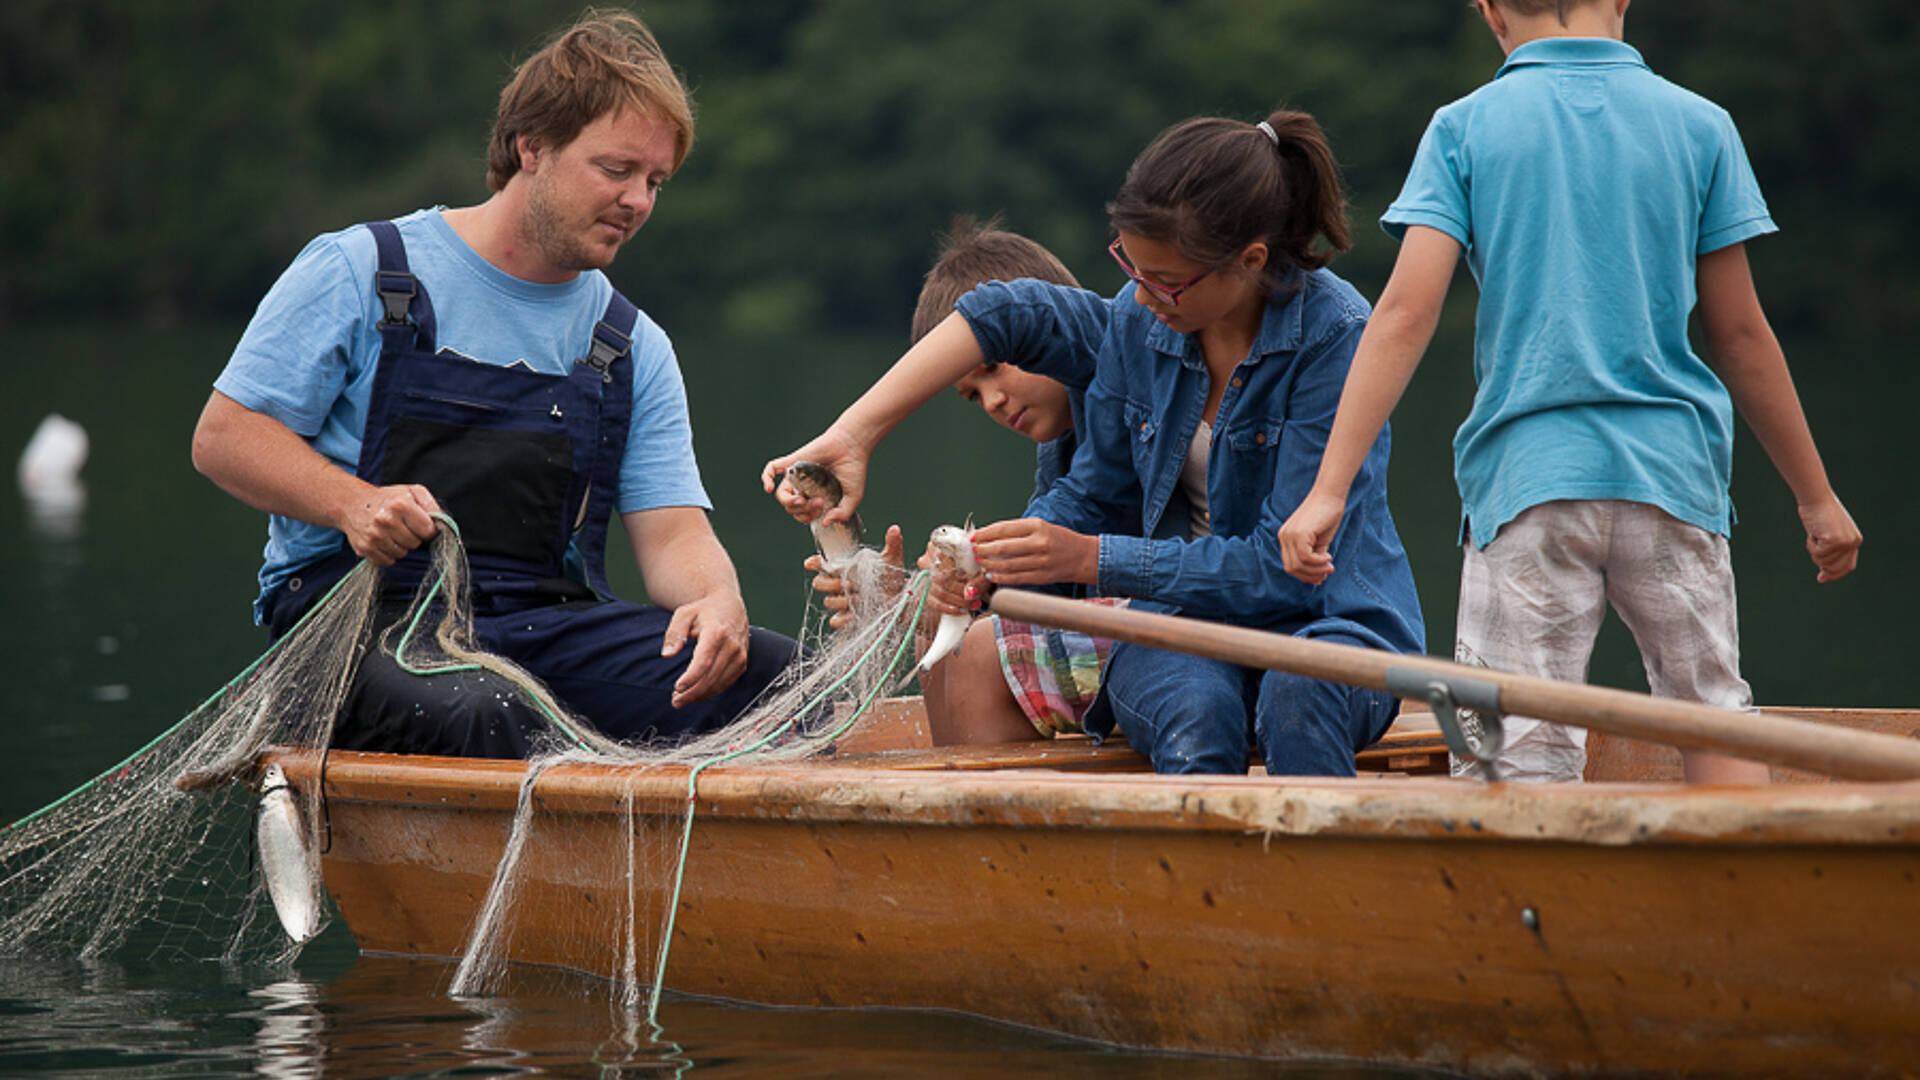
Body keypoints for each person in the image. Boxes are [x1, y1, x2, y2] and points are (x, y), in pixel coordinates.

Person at [1275, 0, 1862, 783]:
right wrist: (1817, 497)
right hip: (1672, 478)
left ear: (1489, 12)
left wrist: (1327, 490)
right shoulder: (1701, 124)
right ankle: (1734, 904)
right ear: (1621, 0)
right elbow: (1741, 334)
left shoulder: (1464, 127)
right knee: (1713, 720)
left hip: (1527, 483)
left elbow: (1405, 315)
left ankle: (1522, 907)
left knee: (1510, 749)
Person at [191, 10, 797, 758]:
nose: (639, 201)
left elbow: (673, 536)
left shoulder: (633, 343)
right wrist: (352, 502)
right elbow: (224, 437)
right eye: (616, 170)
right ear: (532, 148)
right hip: (355, 620)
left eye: (655, 182)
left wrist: (719, 602)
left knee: (781, 675)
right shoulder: (359, 270)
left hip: (542, 623)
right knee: (491, 710)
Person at [765, 111, 1425, 776]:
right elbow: (1088, 489)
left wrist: (1088, 558)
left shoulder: (1335, 338)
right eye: (1129, 266)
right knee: (1192, 711)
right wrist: (984, 557)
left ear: (1249, 261)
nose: (1140, 295)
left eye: (1165, 279)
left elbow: (1277, 573)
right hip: (1177, 629)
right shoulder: (1141, 324)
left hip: (1328, 626)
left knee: (1299, 696)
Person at [789, 217, 1127, 745]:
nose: (992, 400)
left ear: (1047, 331)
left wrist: (971, 571)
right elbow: (1039, 581)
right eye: (971, 394)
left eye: (994, 367)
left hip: (1174, 637)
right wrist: (909, 599)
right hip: (1116, 637)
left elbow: (1073, 515)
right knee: (939, 628)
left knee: (976, 647)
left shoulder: (1121, 384)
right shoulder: (1055, 448)